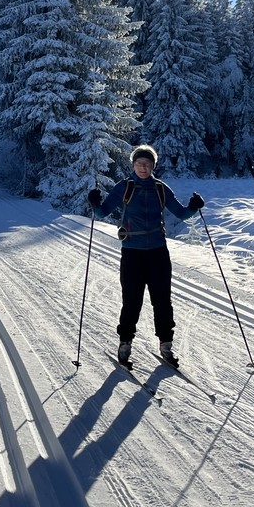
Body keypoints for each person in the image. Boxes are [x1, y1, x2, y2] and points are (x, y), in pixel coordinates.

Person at [87, 144, 204, 369]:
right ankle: (125, 343)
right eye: (140, 163)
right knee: (132, 301)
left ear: (153, 166)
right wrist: (94, 202)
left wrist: (193, 207)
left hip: (158, 252)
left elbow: (181, 213)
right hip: (132, 253)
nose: (143, 167)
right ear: (133, 164)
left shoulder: (160, 188)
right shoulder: (125, 187)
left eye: (148, 164)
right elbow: (102, 213)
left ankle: (166, 344)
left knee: (162, 300)